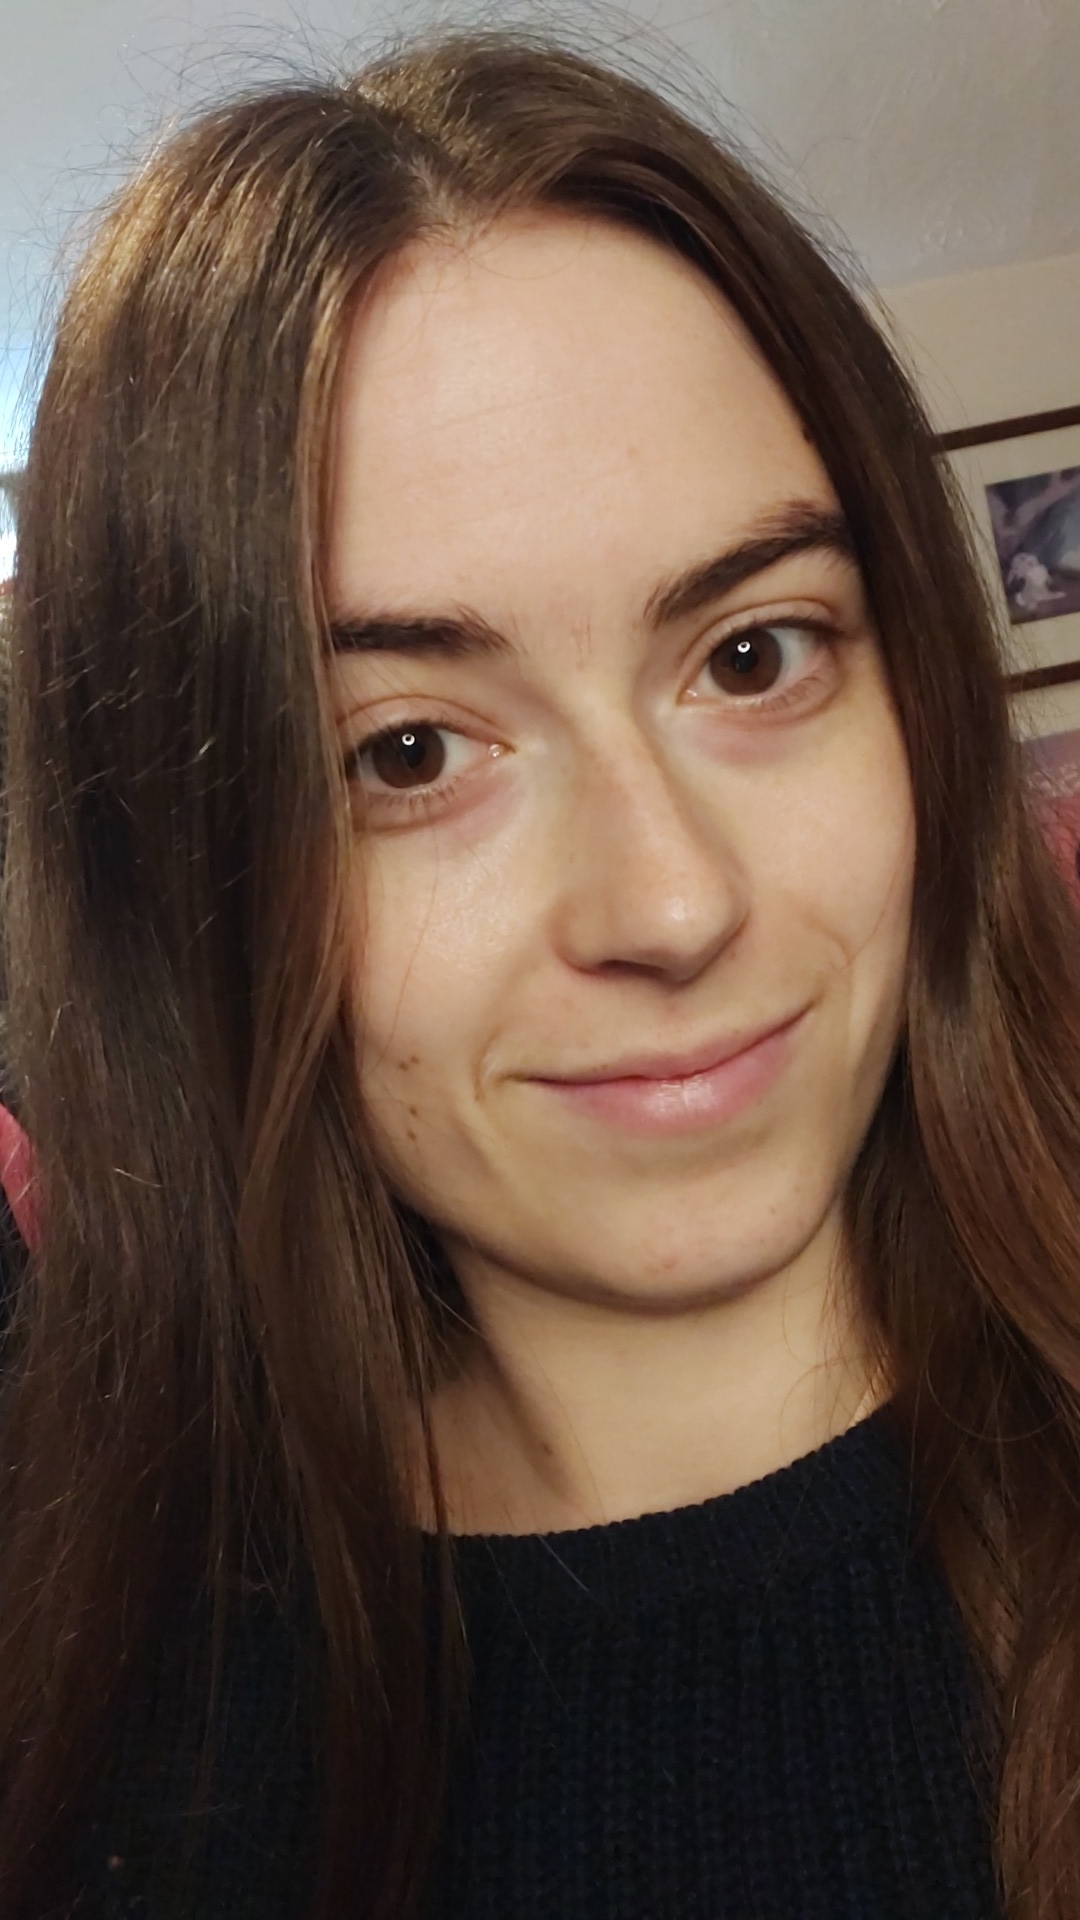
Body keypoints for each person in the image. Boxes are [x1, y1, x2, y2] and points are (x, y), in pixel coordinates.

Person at [1, 26, 1079, 1920]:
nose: (673, 903)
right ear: (191, 885)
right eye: (408, 753)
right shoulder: (114, 1763)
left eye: (753, 655)